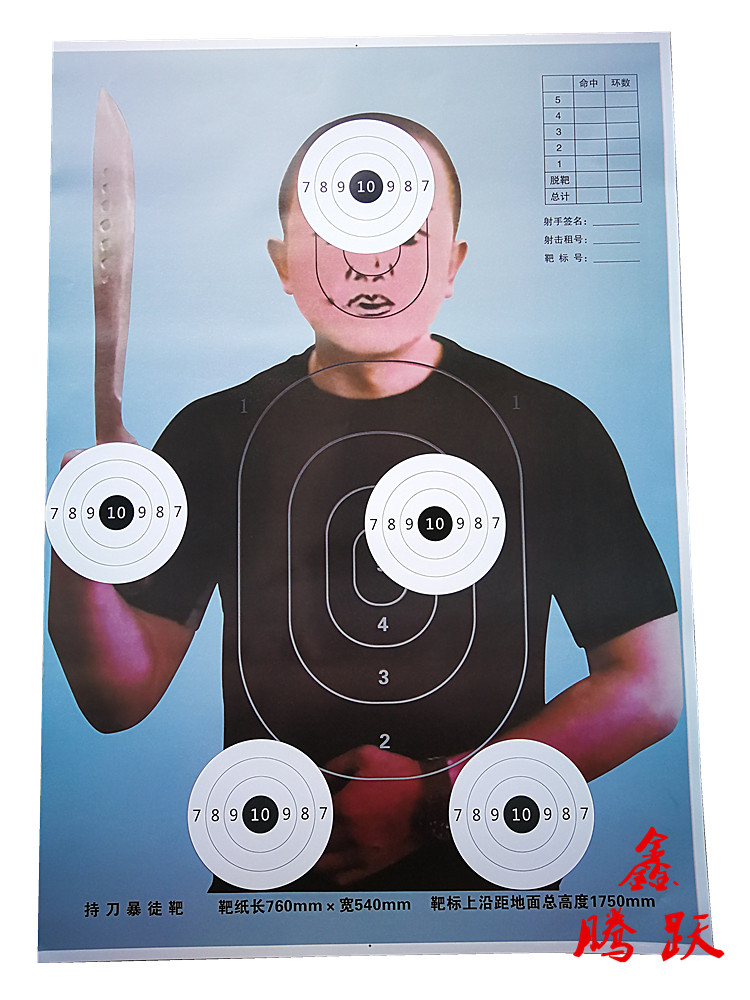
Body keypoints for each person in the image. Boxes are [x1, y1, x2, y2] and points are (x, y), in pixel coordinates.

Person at [48, 113, 683, 891]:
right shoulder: (217, 431)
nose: (371, 265)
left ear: (452, 264)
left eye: (407, 235)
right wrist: (83, 541)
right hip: (268, 883)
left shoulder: (550, 427)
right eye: (333, 233)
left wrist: (434, 800)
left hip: (496, 890)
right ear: (284, 264)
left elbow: (648, 687)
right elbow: (118, 696)